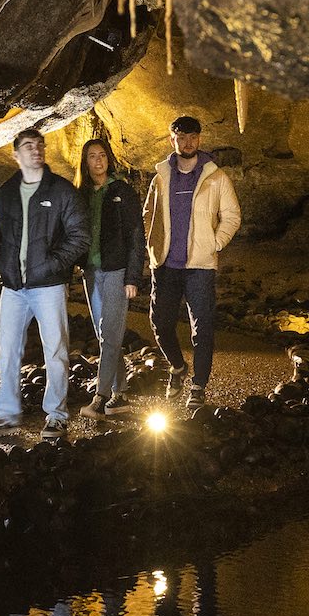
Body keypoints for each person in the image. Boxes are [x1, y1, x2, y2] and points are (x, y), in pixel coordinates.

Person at [0, 127, 89, 436]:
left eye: (40, 145)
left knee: (55, 350)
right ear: (16, 155)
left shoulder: (61, 191)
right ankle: (6, 413)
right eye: (28, 146)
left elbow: (80, 235)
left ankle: (56, 414)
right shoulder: (6, 191)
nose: (36, 150)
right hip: (13, 287)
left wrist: (52, 264)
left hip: (48, 286)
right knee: (6, 350)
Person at [143, 115, 241, 406]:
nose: (188, 143)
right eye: (181, 137)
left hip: (200, 266)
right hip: (166, 265)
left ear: (199, 139)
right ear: (172, 139)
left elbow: (232, 216)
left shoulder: (216, 177)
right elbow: (148, 214)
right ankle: (178, 367)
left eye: (193, 137)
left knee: (203, 327)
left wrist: (215, 242)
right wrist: (153, 245)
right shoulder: (161, 177)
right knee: (160, 323)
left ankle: (198, 387)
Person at [75, 137, 145, 418]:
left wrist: (133, 277)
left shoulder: (123, 192)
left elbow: (136, 237)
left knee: (112, 335)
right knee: (106, 337)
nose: (98, 160)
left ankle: (100, 397)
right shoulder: (81, 194)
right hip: (90, 273)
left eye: (102, 155)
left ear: (109, 159)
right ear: (86, 162)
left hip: (116, 272)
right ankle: (121, 395)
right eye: (92, 156)